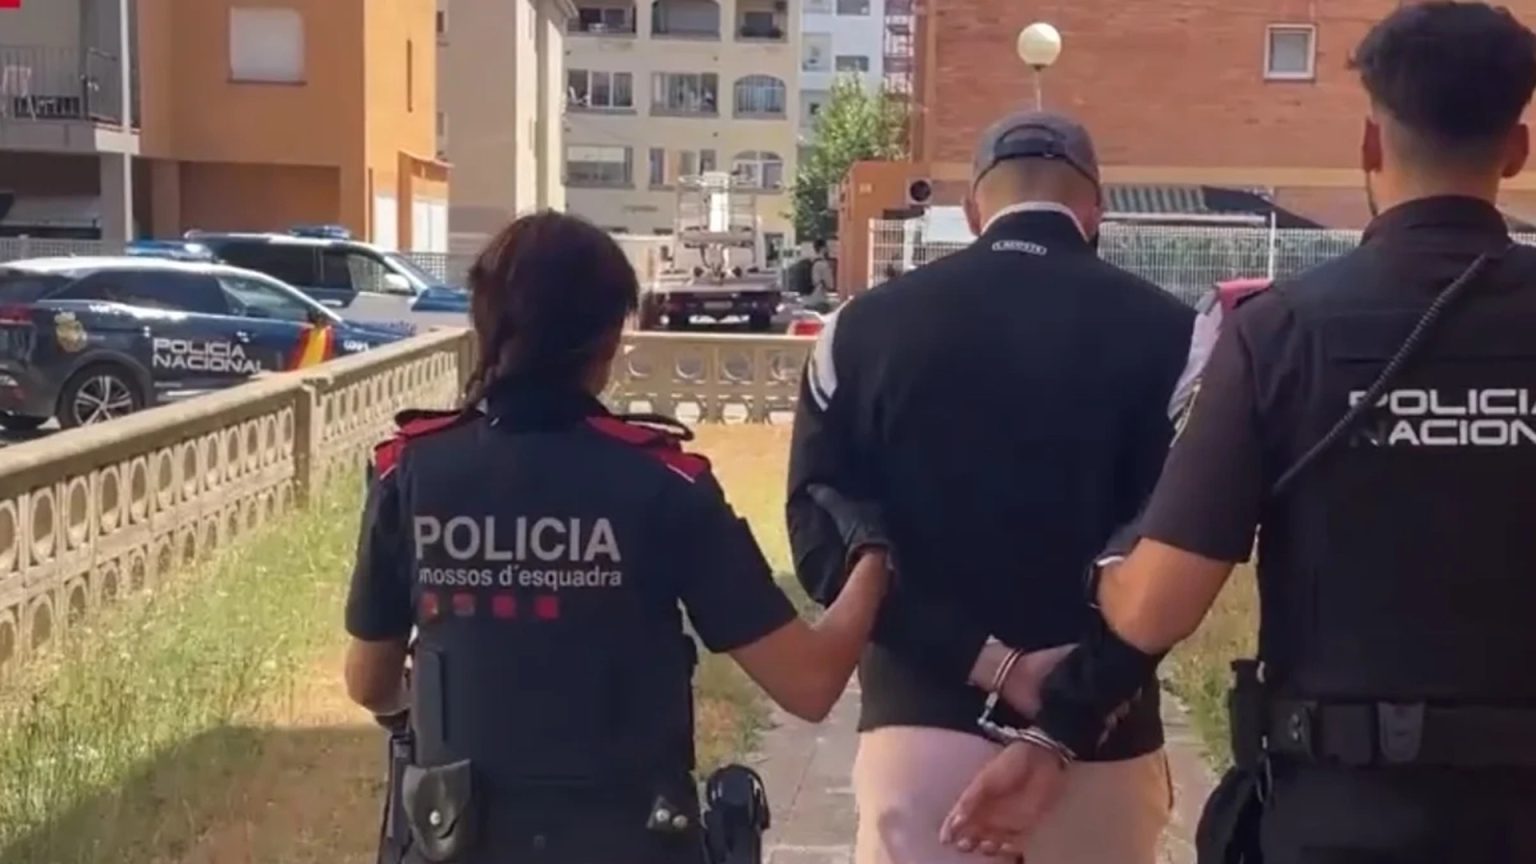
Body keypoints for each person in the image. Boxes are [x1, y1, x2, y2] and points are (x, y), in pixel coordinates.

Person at [941, 5, 1536, 863]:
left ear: (1370, 143)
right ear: (1515, 149)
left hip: (1340, 817)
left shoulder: (1283, 332)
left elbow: (1156, 604)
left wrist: (1093, 614)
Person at [343, 210, 893, 864]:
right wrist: (874, 551)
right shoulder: (665, 484)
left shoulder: (409, 473)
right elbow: (809, 682)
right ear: (609, 337)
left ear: (484, 322)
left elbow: (370, 683)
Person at [787, 111, 1205, 864]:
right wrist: (1073, 694)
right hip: (1100, 732)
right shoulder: (1182, 336)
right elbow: (1182, 547)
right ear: (1096, 209)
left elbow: (821, 535)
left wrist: (989, 663)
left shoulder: (860, 329)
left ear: (974, 209)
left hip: (921, 724)